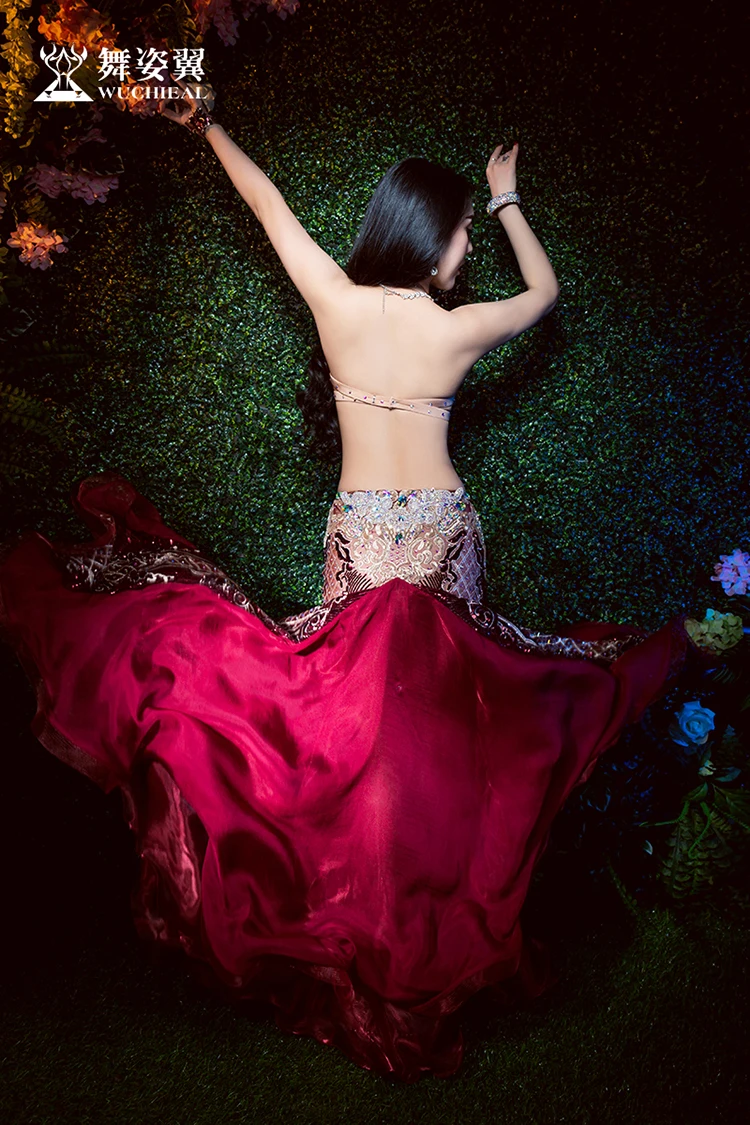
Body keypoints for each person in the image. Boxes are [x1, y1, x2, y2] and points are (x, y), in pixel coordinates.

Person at [0, 81, 689, 1082]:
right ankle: (419, 928)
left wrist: (207, 123)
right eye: (462, 234)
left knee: (344, 731)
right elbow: (544, 296)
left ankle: (356, 917)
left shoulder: (335, 299)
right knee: (446, 743)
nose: (467, 252)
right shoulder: (457, 327)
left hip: (363, 539)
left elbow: (267, 204)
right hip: (442, 541)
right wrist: (507, 199)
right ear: (435, 237)